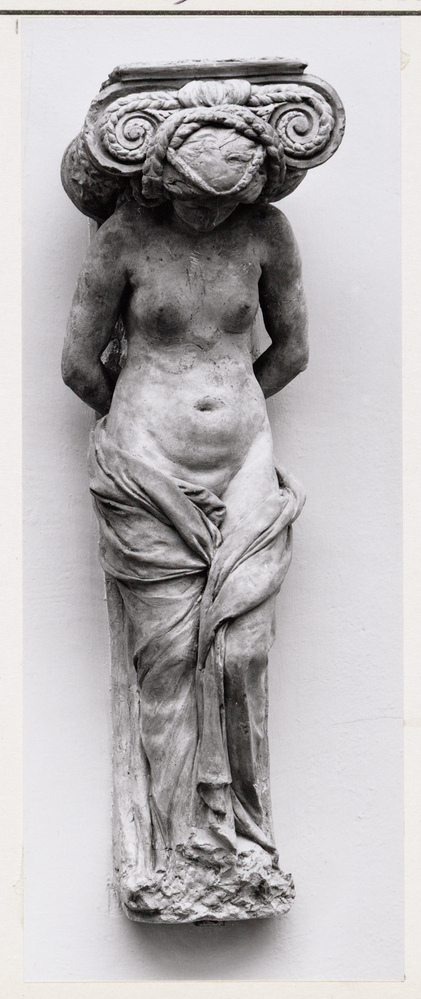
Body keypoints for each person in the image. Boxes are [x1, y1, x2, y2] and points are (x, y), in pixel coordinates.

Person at [62, 105, 308, 921]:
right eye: (196, 199)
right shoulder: (124, 238)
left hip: (243, 461)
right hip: (146, 466)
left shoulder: (265, 233)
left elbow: (291, 349)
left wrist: (229, 412)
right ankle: (175, 852)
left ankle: (243, 835)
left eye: (225, 200)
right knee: (165, 664)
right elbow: (79, 364)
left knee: (242, 651)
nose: (209, 215)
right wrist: (148, 424)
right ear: (162, 178)